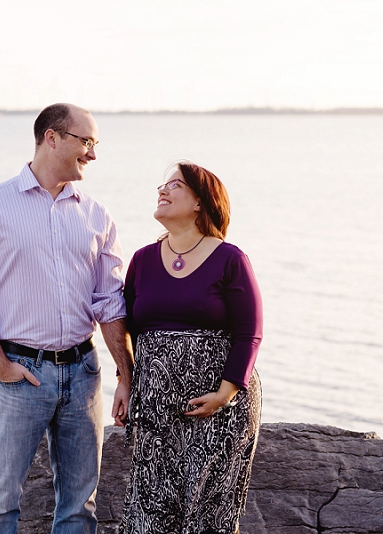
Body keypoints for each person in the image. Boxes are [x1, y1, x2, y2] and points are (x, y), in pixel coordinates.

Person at [0, 103, 134, 534]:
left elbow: (110, 301)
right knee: (0, 498)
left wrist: (125, 375)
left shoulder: (97, 216)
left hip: (83, 374)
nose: (93, 154)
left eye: (95, 144)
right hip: (20, 374)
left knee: (79, 504)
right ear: (51, 138)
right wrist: (1, 367)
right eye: (86, 142)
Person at [119, 162, 263, 534]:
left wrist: (225, 394)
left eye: (175, 185)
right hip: (155, 411)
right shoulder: (142, 260)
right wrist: (125, 382)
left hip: (218, 409)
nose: (162, 191)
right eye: (161, 185)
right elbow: (130, 331)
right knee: (150, 512)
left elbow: (250, 332)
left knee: (207, 518)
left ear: (201, 202)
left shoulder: (230, 259)